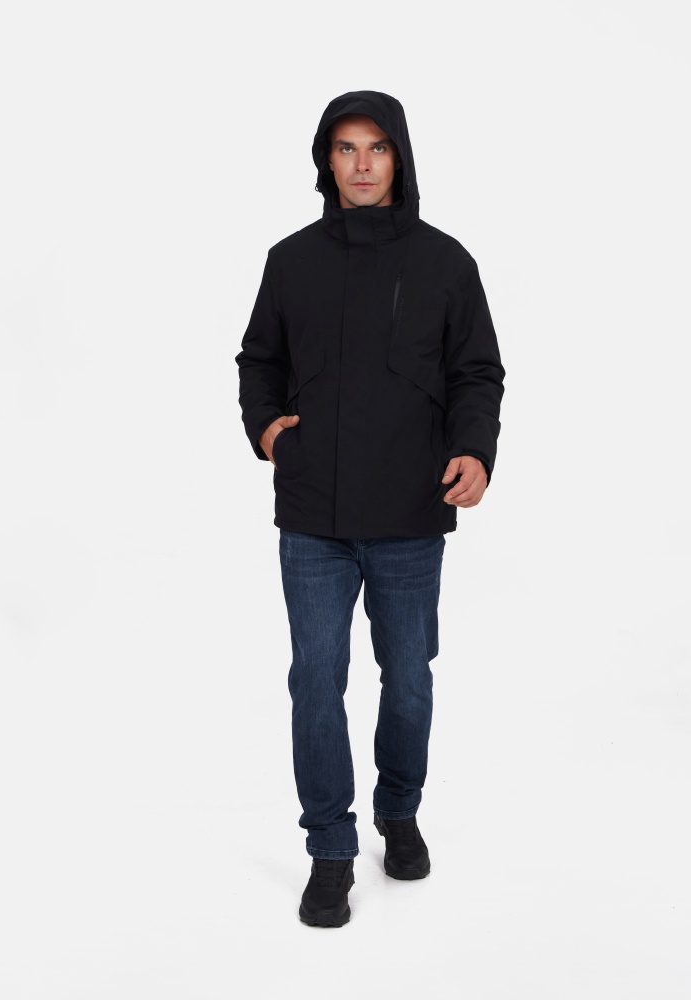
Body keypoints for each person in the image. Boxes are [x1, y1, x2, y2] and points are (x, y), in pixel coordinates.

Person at [236, 90, 505, 927]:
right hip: (313, 515)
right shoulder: (291, 260)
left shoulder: (446, 263)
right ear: (327, 160)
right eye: (345, 148)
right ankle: (330, 850)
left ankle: (399, 808)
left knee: (409, 679)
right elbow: (258, 360)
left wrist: (474, 449)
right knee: (316, 680)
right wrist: (267, 429)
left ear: (400, 157)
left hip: (410, 511)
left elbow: (476, 371)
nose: (361, 164)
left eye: (377, 148)